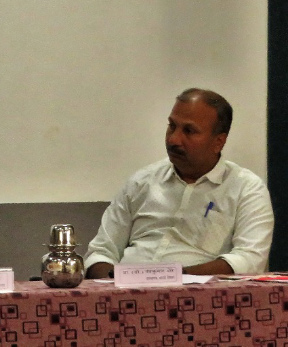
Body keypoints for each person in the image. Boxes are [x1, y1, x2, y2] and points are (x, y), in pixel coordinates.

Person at [85, 88, 274, 278]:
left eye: (189, 131)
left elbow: (248, 260)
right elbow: (100, 252)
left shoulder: (246, 189)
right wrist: (115, 281)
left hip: (199, 293)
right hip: (122, 290)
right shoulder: (141, 182)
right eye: (172, 126)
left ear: (218, 142)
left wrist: (170, 278)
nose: (173, 139)